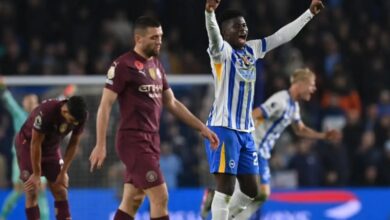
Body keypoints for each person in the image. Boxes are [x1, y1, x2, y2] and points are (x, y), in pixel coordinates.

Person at [88, 16, 219, 220]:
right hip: (133, 141)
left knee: (132, 200)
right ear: (138, 39)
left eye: (161, 36)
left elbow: (172, 102)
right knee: (160, 197)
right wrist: (100, 144)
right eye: (154, 37)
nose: (159, 41)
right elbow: (105, 105)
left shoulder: (157, 65)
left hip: (151, 141)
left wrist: (201, 127)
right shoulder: (123, 65)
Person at [203, 0, 324, 219]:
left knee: (252, 190)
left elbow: (281, 36)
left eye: (245, 25)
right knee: (226, 187)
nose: (243, 29)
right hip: (223, 128)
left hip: (246, 132)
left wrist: (309, 14)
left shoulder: (253, 48)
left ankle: (222, 215)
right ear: (225, 32)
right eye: (237, 26)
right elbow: (212, 33)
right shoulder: (221, 52)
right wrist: (209, 12)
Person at [233, 68, 341, 219]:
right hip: (253, 149)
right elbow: (255, 114)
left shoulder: (294, 106)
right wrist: (241, 137)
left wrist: (323, 135)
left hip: (262, 153)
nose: (314, 88)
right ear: (301, 84)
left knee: (261, 194)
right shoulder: (281, 100)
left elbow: (300, 129)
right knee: (253, 193)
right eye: (311, 84)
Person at [15, 96, 87, 220]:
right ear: (65, 111)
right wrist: (37, 174)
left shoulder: (80, 116)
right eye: (71, 120)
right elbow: (35, 143)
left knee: (61, 190)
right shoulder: (46, 111)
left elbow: (74, 142)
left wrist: (64, 172)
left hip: (51, 148)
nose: (72, 124)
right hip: (27, 145)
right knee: (32, 192)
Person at [0, 77, 50, 220]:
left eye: (34, 101)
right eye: (29, 101)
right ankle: (2, 216)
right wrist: (3, 88)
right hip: (21, 159)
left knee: (40, 190)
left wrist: (66, 97)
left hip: (39, 159)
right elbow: (9, 102)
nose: (31, 104)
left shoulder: (43, 119)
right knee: (19, 190)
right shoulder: (19, 115)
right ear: (24, 103)